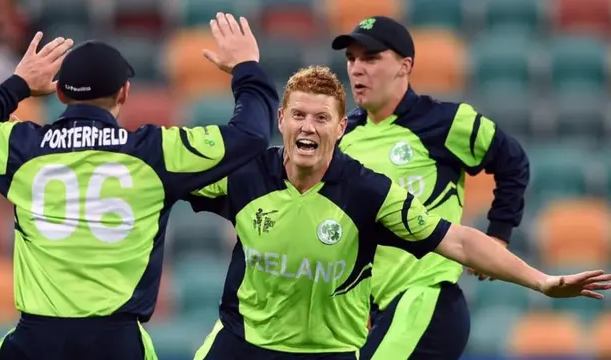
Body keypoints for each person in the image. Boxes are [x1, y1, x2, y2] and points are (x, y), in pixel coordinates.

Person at [186, 66, 610, 360]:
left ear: (341, 128)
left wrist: (543, 282)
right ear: (281, 120)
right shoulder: (245, 176)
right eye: (298, 115)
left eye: (321, 117)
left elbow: (457, 239)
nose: (308, 127)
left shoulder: (367, 191)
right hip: (243, 341)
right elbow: (159, 175)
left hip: (325, 351)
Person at [0, 13, 278, 360]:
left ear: (58, 92)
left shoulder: (22, 147)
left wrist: (16, 85)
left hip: (35, 341)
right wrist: (246, 67)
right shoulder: (155, 152)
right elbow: (252, 134)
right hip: (116, 342)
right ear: (124, 92)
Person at [331, 16, 531, 359]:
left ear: (404, 66)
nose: (356, 69)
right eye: (351, 59)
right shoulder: (342, 136)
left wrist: (498, 235)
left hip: (426, 300)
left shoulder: (445, 121)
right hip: (372, 313)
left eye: (371, 58)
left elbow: (512, 160)